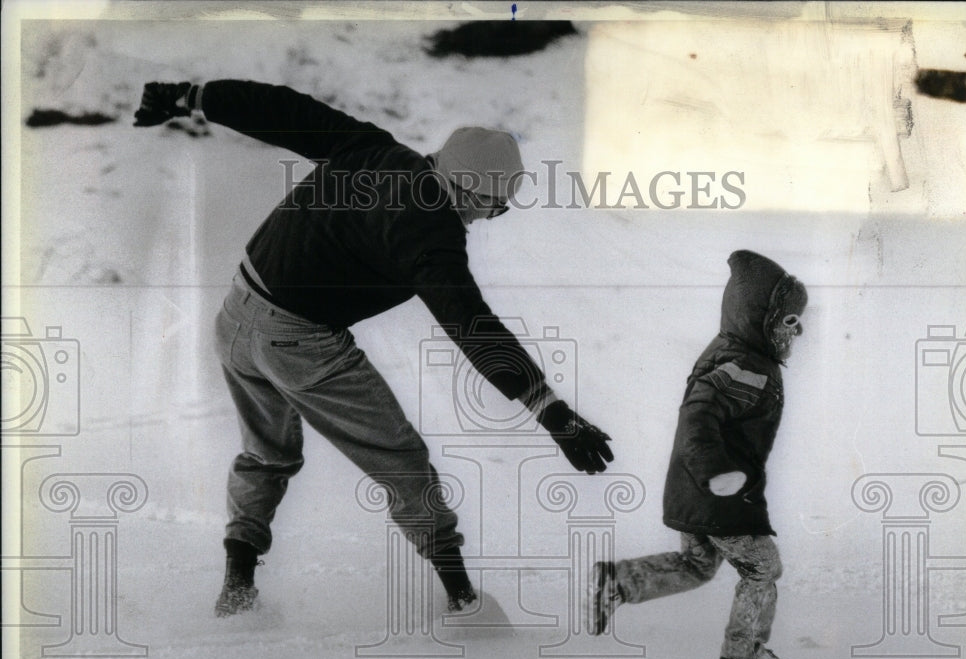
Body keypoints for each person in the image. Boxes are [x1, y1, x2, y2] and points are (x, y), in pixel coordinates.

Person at [133, 80, 614, 617]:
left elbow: (284, 112)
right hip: (298, 339)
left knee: (266, 454)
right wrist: (550, 411)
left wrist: (195, 96)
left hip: (236, 314)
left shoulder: (375, 149)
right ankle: (463, 601)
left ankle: (237, 588)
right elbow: (471, 323)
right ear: (463, 187)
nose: (485, 219)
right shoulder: (431, 230)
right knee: (401, 459)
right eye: (489, 206)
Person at [589, 250, 807, 659]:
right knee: (763, 567)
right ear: (762, 316)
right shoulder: (746, 365)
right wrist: (716, 472)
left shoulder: (735, 350)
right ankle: (743, 652)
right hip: (719, 491)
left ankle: (616, 581)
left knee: (697, 564)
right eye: (790, 321)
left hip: (695, 489)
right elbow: (698, 413)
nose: (797, 331)